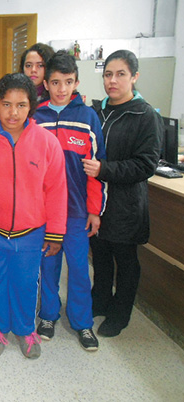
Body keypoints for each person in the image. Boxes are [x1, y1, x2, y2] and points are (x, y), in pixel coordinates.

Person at [0, 73, 67, 359]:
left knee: (25, 284)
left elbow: (57, 190)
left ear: (31, 106)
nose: (13, 112)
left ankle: (25, 329)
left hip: (31, 233)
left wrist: (55, 233)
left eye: (21, 105)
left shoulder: (46, 142)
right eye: (6, 104)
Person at [82, 50, 161, 337]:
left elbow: (146, 164)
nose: (112, 81)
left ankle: (121, 312)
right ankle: (100, 299)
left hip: (125, 205)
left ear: (134, 77)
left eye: (120, 74)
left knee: (126, 262)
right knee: (101, 257)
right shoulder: (96, 112)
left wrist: (104, 170)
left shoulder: (145, 115)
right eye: (108, 74)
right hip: (97, 204)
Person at [34, 50, 107, 351]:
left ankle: (82, 322)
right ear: (46, 84)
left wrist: (95, 210)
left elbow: (97, 168)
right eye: (55, 82)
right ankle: (48, 315)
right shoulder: (36, 118)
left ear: (76, 82)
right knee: (48, 266)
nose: (61, 88)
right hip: (45, 213)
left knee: (78, 269)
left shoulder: (88, 118)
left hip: (77, 213)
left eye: (67, 82)